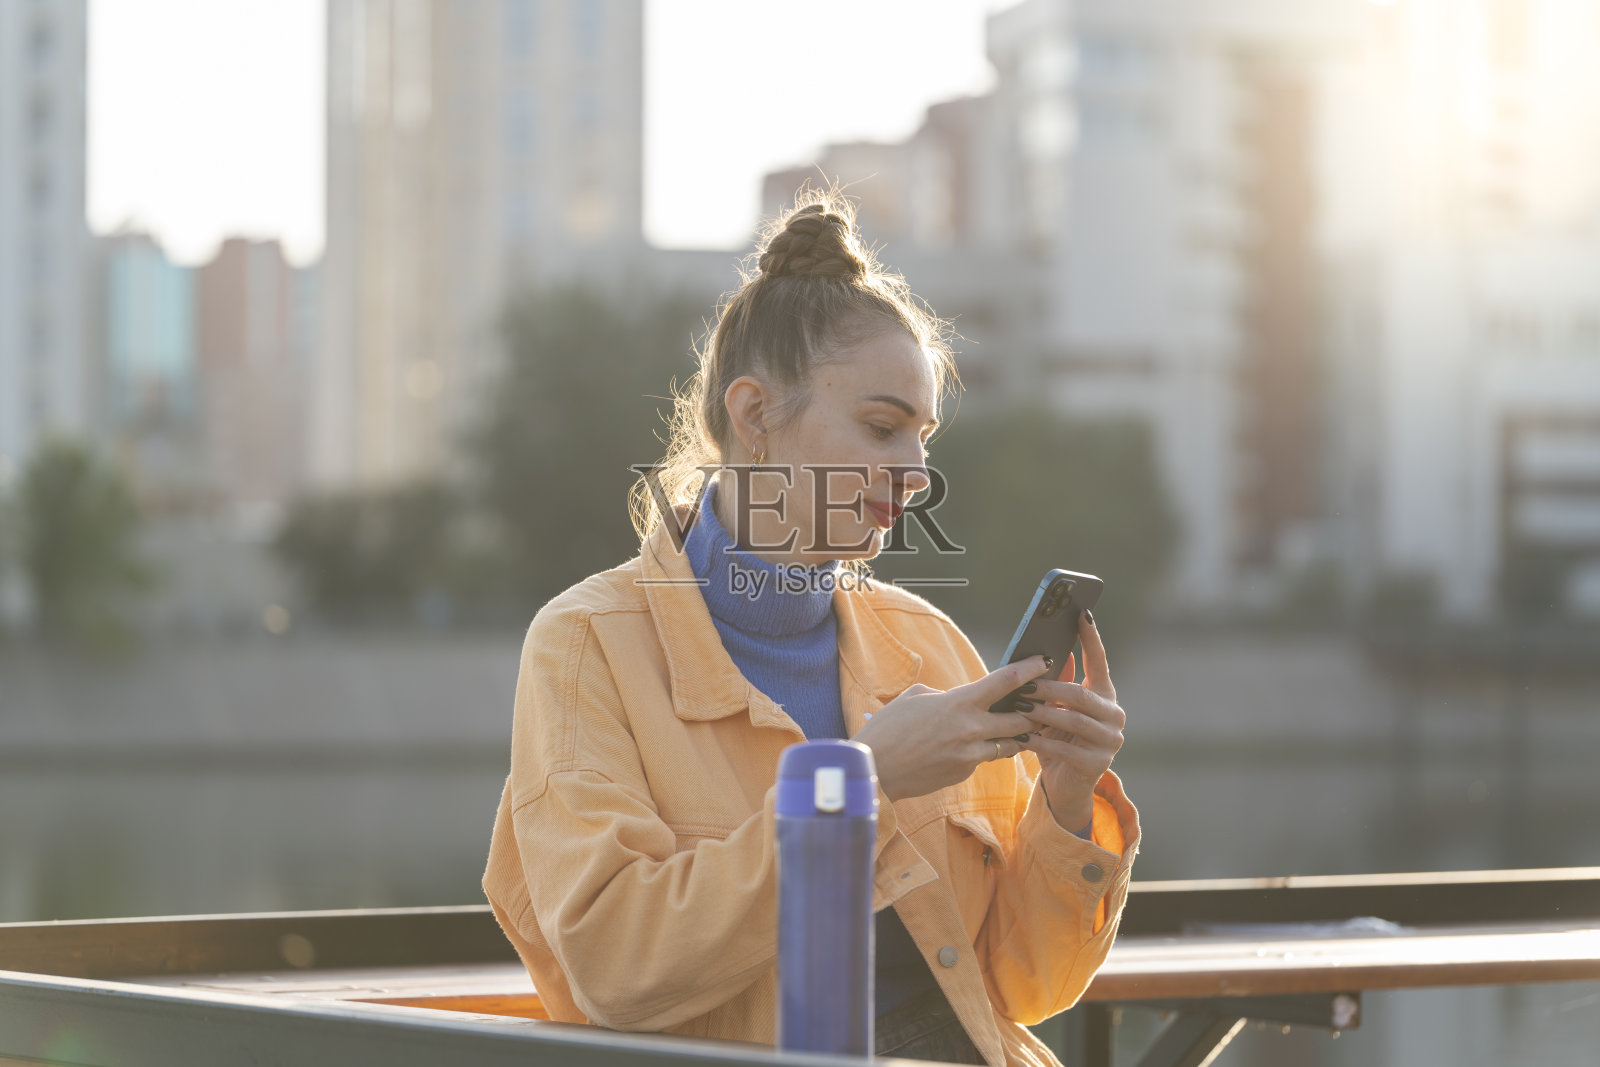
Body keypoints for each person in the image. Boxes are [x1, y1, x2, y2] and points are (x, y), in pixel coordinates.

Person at [482, 190, 1140, 1066]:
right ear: (753, 415)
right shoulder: (587, 644)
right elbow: (618, 967)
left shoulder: (927, 641)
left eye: (923, 438)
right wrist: (857, 786)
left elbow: (1024, 988)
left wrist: (1064, 796)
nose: (914, 471)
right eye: (881, 427)